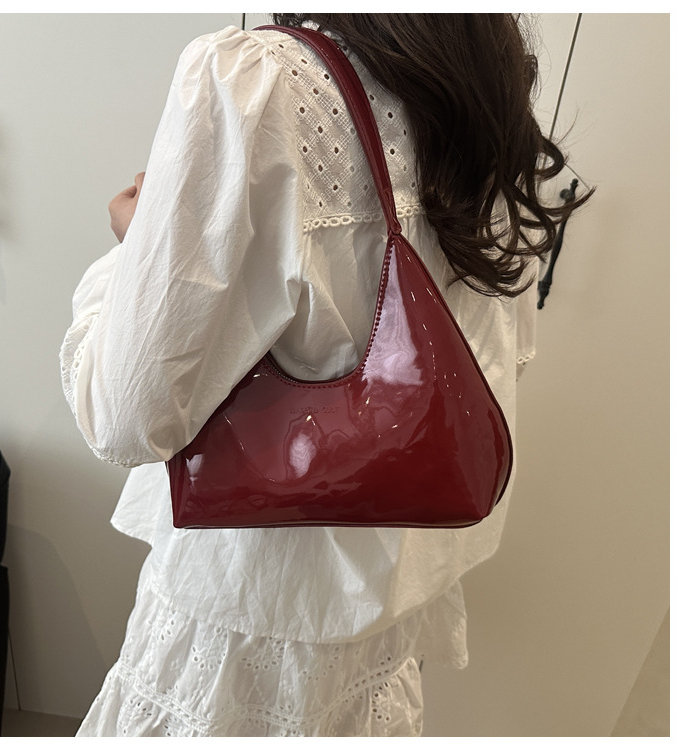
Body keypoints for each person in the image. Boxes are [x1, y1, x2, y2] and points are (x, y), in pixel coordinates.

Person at [60, 14, 587, 737]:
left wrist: (135, 252)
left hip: (249, 613)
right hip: (392, 601)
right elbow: (504, 347)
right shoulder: (483, 73)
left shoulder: (259, 82)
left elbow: (123, 417)